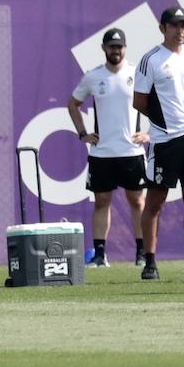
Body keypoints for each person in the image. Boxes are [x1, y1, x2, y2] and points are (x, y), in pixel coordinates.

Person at [133, 6, 184, 280]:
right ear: (163, 28)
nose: (180, 30)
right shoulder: (150, 59)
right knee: (155, 200)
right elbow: (139, 100)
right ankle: (150, 262)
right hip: (165, 141)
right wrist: (162, 123)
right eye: (175, 25)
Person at [68, 27, 148, 269]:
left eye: (120, 46)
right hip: (102, 152)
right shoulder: (93, 77)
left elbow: (156, 103)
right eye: (112, 46)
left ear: (125, 48)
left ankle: (143, 253)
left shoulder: (137, 74)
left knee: (137, 202)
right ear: (104, 48)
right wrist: (83, 134)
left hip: (132, 152)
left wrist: (149, 133)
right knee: (102, 201)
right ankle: (101, 255)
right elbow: (73, 104)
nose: (116, 50)